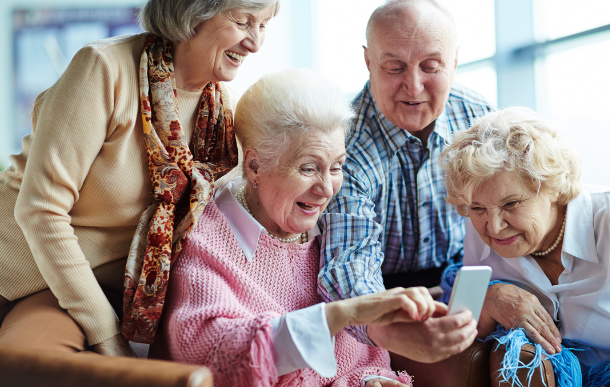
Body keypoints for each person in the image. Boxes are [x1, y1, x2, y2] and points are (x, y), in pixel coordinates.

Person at [0, 0, 279, 356]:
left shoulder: (220, 111)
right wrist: (107, 334)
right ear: (194, 11)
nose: (256, 43)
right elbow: (40, 210)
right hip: (18, 277)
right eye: (245, 22)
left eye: (264, 25)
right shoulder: (105, 69)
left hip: (102, 291)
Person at [162, 69, 436, 387]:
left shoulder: (332, 230)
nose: (327, 189)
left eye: (336, 167)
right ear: (254, 166)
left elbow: (360, 358)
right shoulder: (207, 237)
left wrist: (371, 380)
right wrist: (339, 315)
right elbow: (212, 354)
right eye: (308, 168)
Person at [440, 107, 610, 386]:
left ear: (554, 188)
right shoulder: (480, 230)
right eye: (476, 207)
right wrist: (490, 298)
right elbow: (455, 327)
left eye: (511, 204)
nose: (494, 226)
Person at [318, 0, 493, 363]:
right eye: (394, 67)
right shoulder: (341, 144)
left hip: (468, 278)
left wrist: (500, 287)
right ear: (368, 61)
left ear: (455, 61)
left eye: (431, 66)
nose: (413, 87)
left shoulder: (481, 118)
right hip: (384, 294)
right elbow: (347, 265)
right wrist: (388, 325)